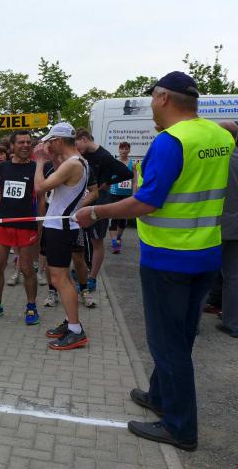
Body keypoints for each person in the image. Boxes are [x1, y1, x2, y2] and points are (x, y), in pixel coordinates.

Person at [74, 72, 234, 450]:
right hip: (206, 252)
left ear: (163, 98)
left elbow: (147, 202)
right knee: (181, 336)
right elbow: (228, 133)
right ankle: (159, 396)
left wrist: (95, 212)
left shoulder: (170, 141)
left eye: (152, 99)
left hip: (169, 257)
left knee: (166, 344)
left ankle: (180, 428)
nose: (150, 106)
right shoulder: (219, 136)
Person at [34, 122, 89, 350]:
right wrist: (53, 158)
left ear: (58, 141)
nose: (47, 145)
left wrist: (39, 162)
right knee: (61, 277)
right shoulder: (75, 162)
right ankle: (70, 321)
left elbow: (40, 187)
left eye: (50, 141)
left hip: (61, 227)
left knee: (60, 279)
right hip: (60, 225)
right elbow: (61, 180)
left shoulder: (73, 164)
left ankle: (76, 330)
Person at [0, 131, 44, 325]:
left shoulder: (36, 168)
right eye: (21, 142)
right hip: (3, 224)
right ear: (12, 146)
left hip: (26, 225)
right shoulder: (2, 168)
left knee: (27, 268)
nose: (26, 145)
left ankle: (31, 307)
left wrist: (40, 224)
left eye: (28, 142)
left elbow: (41, 198)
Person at [74, 128, 132, 305]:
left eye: (77, 144)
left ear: (84, 139)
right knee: (79, 239)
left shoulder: (104, 156)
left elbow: (127, 173)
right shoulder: (82, 155)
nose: (76, 148)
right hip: (83, 200)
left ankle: (92, 278)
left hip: (100, 202)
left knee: (96, 241)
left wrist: (107, 183)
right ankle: (80, 271)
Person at [217, 120, 238, 338]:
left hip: (217, 226)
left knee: (203, 274)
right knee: (234, 277)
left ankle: (193, 325)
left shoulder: (217, 160)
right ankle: (232, 323)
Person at [108, 141, 136, 253]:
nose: (124, 151)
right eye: (122, 148)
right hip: (114, 193)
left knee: (123, 221)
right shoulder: (114, 162)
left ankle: (118, 237)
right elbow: (109, 177)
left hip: (126, 195)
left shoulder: (132, 164)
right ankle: (115, 243)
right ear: (119, 150)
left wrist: (134, 194)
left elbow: (134, 181)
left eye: (126, 149)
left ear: (129, 150)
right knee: (114, 219)